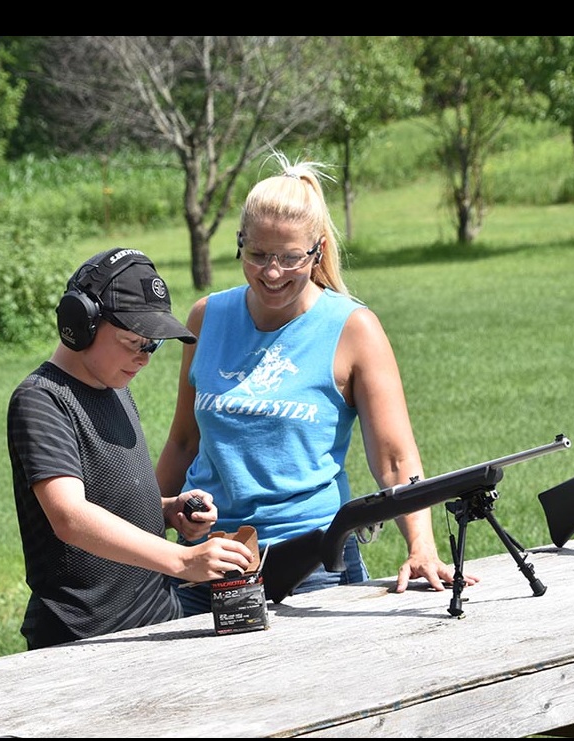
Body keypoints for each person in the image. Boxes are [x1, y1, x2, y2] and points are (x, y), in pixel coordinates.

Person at [156, 152, 479, 616]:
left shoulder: (353, 328)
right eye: (258, 255)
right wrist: (136, 529)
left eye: (290, 258)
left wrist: (422, 547)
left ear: (318, 251)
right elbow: (184, 441)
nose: (272, 273)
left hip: (311, 565)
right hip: (205, 560)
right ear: (239, 243)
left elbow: (394, 458)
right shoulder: (207, 317)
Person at [7, 247, 253, 649]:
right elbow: (69, 515)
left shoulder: (115, 388)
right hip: (84, 637)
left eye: (152, 346)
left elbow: (110, 501)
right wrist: (183, 560)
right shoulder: (42, 400)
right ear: (79, 323)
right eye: (133, 342)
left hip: (155, 618)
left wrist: (168, 510)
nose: (144, 358)